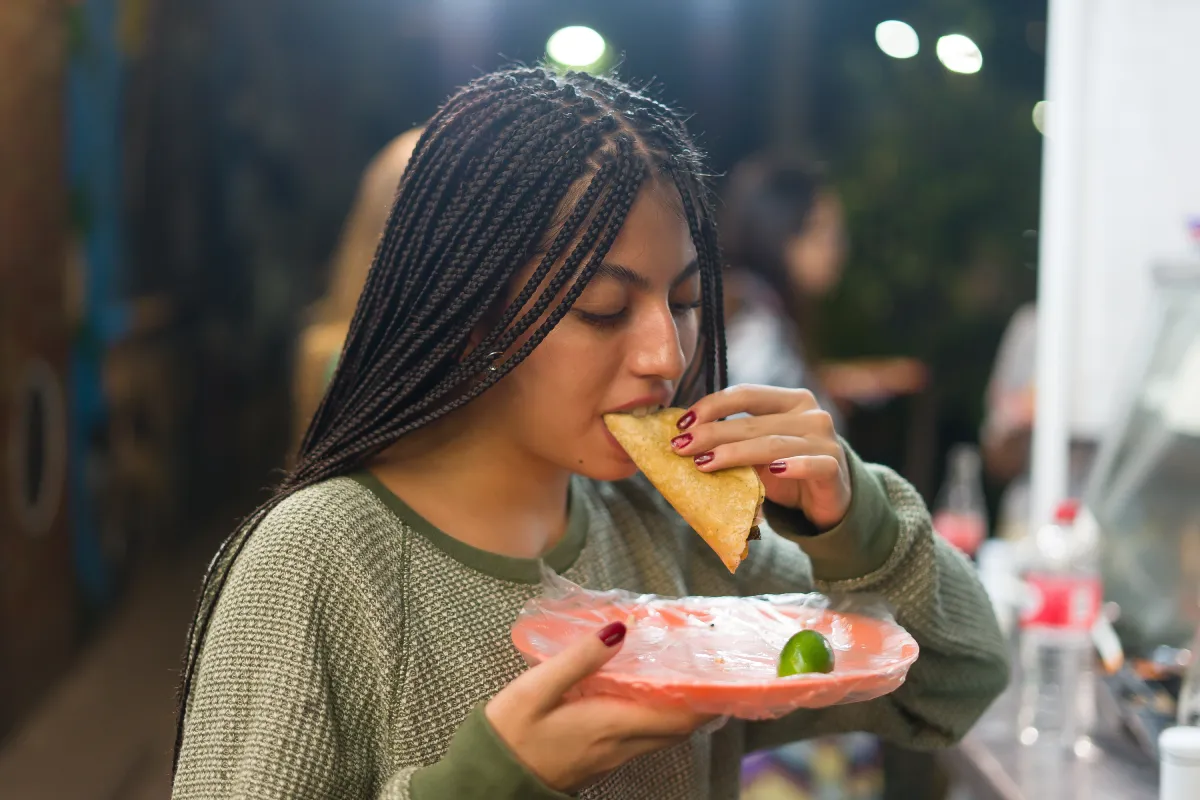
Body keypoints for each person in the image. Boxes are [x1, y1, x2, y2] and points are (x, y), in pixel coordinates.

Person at [172, 68, 1008, 800]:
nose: (666, 354)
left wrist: (853, 520)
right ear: (469, 314)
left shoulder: (666, 535)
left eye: (684, 302)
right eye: (603, 308)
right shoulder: (316, 563)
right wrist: (486, 785)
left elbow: (955, 680)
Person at [721, 156, 926, 416]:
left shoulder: (750, 305)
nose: (839, 249)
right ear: (780, 231)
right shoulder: (756, 329)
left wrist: (851, 381)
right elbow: (742, 416)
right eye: (824, 232)